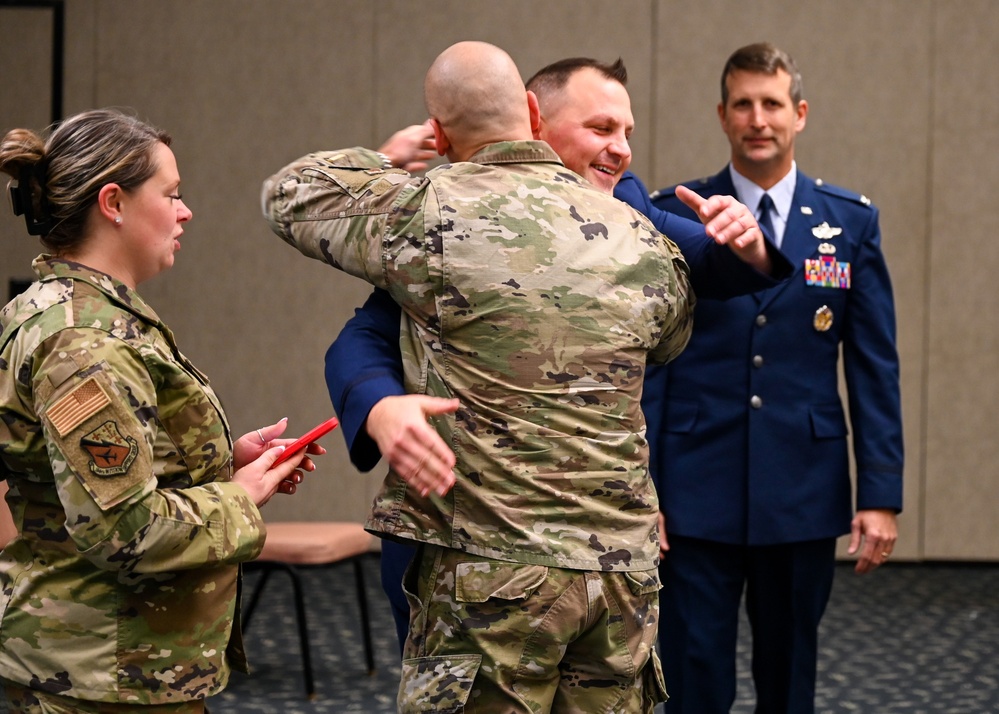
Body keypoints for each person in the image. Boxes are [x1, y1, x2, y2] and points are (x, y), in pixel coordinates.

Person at [264, 40, 693, 713]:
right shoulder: (638, 237)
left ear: (437, 132)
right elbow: (669, 339)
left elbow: (289, 194)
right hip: (619, 574)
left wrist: (390, 158)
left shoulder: (423, 210)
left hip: (492, 571)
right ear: (529, 109)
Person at [325, 55, 795, 650]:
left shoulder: (621, 207)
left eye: (627, 132)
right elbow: (365, 335)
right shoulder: (454, 210)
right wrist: (379, 405)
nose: (621, 149)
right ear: (531, 120)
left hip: (592, 548)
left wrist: (745, 243)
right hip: (467, 542)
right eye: (601, 129)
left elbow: (705, 259)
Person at [0, 109, 319, 713]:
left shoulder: (72, 312)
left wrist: (223, 464)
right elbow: (124, 529)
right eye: (171, 194)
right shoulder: (82, 342)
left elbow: (89, 472)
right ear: (113, 202)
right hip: (104, 673)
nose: (185, 210)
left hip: (110, 663)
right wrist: (240, 495)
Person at [644, 42, 903, 713]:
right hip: (692, 481)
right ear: (722, 116)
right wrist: (640, 481)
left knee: (788, 671)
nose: (757, 119)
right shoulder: (673, 211)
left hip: (800, 485)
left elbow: (873, 366)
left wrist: (880, 495)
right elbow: (649, 359)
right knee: (692, 670)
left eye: (771, 104)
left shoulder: (848, 221)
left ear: (799, 114)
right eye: (742, 105)